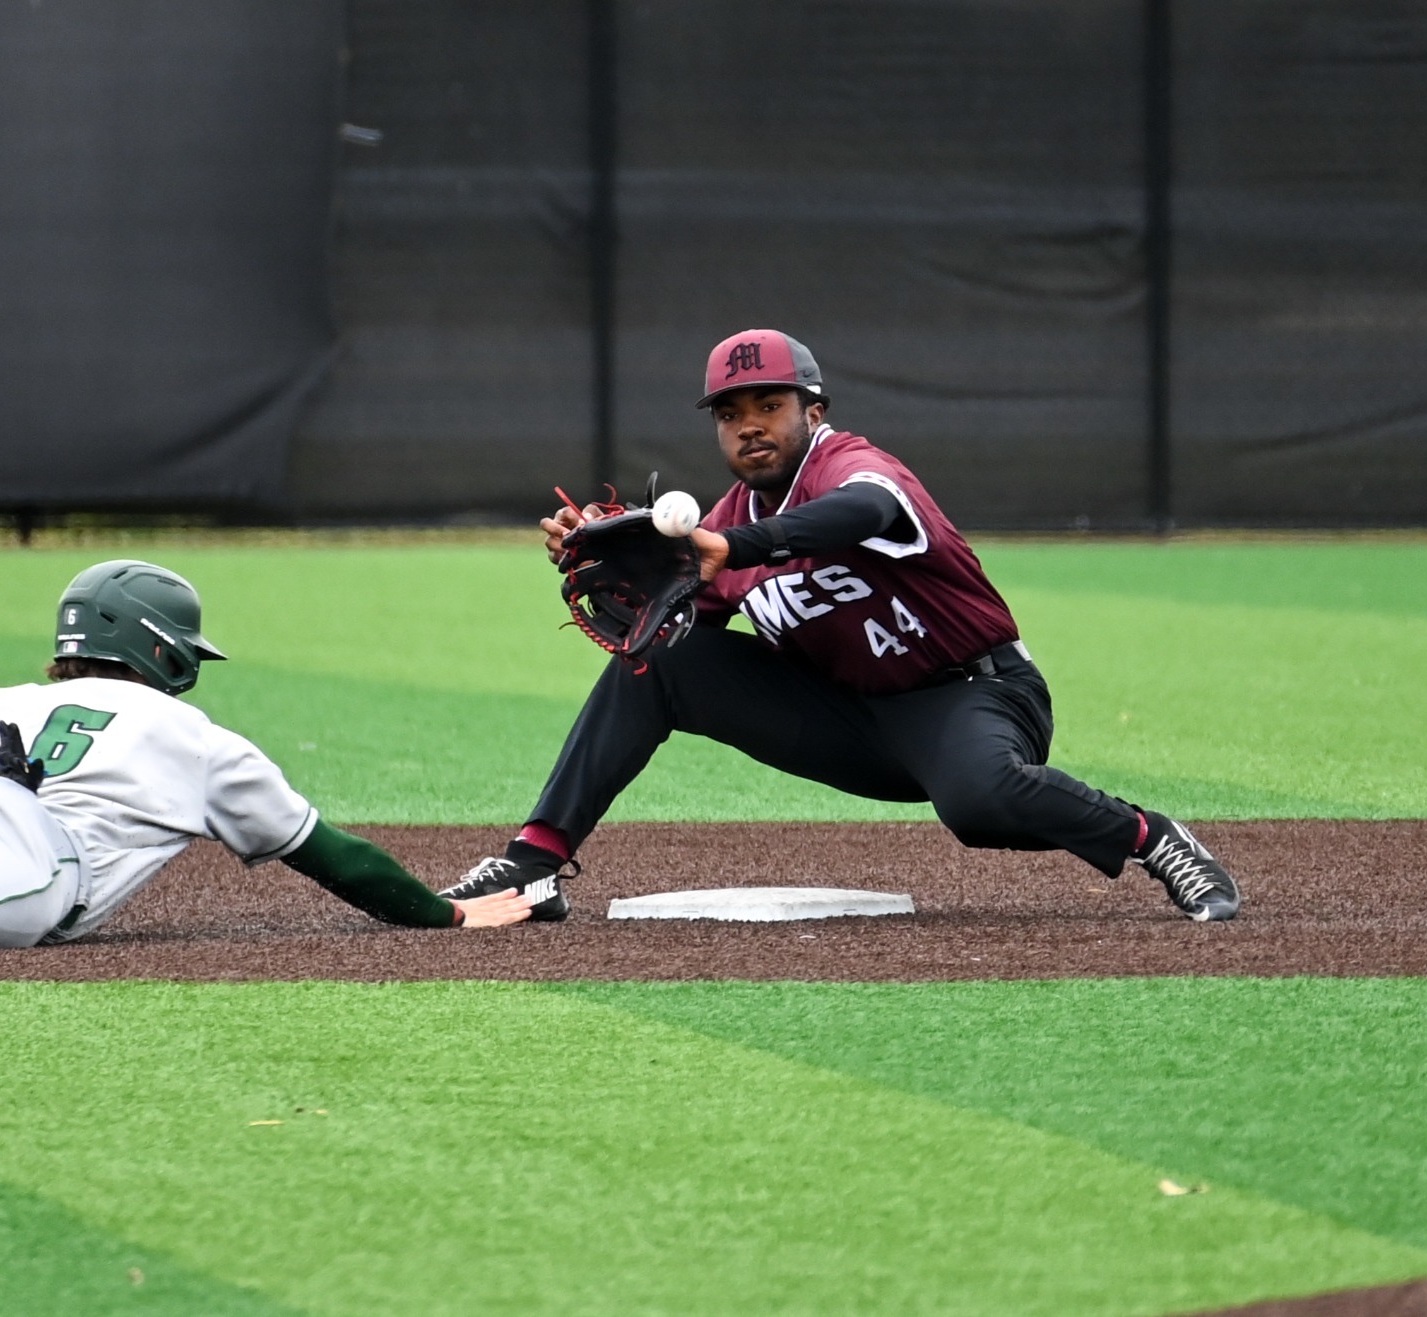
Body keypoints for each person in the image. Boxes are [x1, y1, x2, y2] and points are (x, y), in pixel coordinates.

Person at [441, 328, 1241, 923]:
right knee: (659, 658)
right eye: (731, 412)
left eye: (770, 404)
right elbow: (672, 614)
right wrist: (629, 570)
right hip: (851, 721)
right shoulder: (725, 521)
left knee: (978, 802)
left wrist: (736, 545)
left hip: (972, 695)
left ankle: (1150, 836)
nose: (750, 423)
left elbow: (872, 509)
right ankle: (533, 866)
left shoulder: (851, 466)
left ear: (813, 410)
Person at [0, 560, 530, 949]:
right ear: (160, 649)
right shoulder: (193, 738)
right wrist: (444, 914)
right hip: (22, 845)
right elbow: (332, 855)